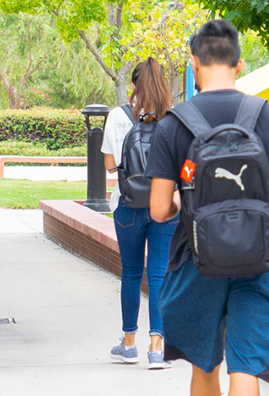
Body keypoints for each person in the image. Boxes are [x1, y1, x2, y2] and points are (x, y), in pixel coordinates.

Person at [145, 19, 269, 396]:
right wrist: (267, 238)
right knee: (246, 364)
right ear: (239, 65)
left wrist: (183, 205)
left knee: (205, 365)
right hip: (258, 263)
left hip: (196, 260)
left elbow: (157, 210)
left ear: (194, 64)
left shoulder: (174, 126)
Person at [104, 58, 177, 370]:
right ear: (163, 85)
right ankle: (157, 348)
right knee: (159, 274)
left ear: (133, 85)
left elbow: (109, 165)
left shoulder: (117, 116)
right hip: (165, 206)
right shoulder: (174, 119)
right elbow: (187, 165)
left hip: (128, 205)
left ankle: (129, 343)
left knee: (132, 273)